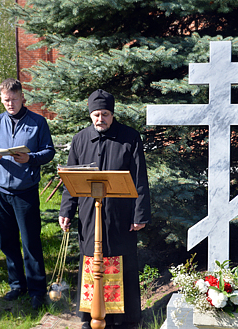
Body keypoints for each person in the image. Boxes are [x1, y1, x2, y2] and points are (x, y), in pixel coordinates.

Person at [58, 89, 151, 329]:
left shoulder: (129, 138)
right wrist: (66, 211)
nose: (101, 119)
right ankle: (91, 315)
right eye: (96, 114)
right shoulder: (80, 140)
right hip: (90, 214)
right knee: (91, 258)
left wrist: (140, 214)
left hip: (121, 214)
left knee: (120, 259)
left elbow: (140, 178)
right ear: (90, 115)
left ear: (113, 113)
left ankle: (122, 319)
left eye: (106, 114)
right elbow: (71, 180)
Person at [0, 78, 55, 310]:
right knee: (7, 241)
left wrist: (30, 158)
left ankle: (36, 290)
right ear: (1, 99)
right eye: (6, 100)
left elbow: (49, 151)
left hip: (25, 192)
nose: (10, 104)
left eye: (14, 99)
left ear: (22, 97)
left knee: (31, 241)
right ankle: (16, 284)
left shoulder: (37, 122)